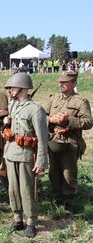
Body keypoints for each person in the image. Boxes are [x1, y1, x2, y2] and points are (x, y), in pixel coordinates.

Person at [3, 72, 49, 238]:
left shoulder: (35, 110)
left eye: (12, 88)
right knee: (13, 189)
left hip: (26, 155)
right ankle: (17, 218)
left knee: (27, 190)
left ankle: (31, 222)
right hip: (11, 153)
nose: (9, 91)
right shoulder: (13, 106)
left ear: (22, 89)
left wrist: (42, 161)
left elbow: (43, 137)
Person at [44, 71, 93, 214]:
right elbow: (43, 117)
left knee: (68, 173)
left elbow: (88, 122)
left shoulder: (80, 101)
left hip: (70, 142)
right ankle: (56, 198)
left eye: (65, 82)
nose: (61, 84)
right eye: (60, 82)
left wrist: (68, 120)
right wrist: (51, 120)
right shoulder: (54, 98)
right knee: (53, 172)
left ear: (74, 83)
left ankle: (68, 202)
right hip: (53, 141)